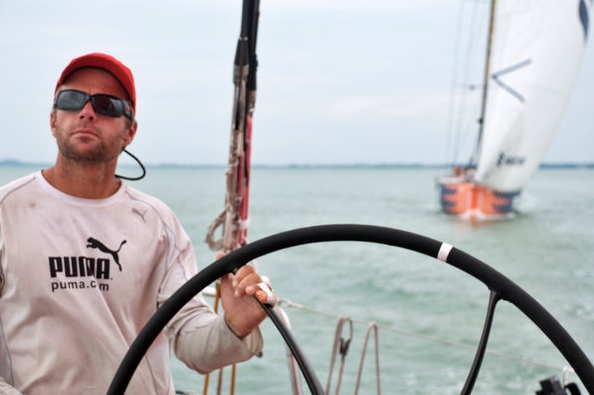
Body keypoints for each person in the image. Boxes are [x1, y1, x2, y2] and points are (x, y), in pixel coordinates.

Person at [0, 52, 275, 394]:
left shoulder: (156, 223)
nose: (87, 112)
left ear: (130, 131)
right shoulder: (6, 212)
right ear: (53, 121)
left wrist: (234, 326)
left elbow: (192, 342)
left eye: (107, 105)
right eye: (71, 100)